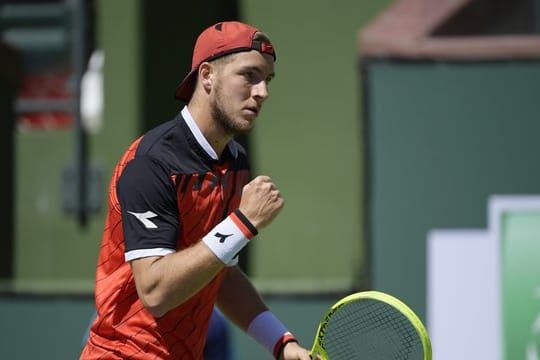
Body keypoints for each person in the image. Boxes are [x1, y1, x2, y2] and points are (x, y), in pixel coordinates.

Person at [80, 21, 312, 359]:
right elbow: (155, 292)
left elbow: (221, 274)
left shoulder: (234, 161)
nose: (262, 92)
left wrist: (282, 343)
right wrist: (243, 222)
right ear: (207, 76)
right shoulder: (150, 164)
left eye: (267, 80)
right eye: (249, 75)